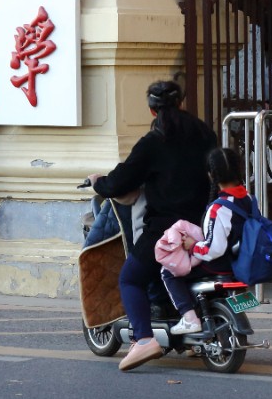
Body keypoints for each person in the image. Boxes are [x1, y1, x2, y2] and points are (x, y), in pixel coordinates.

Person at [87, 79, 218, 372]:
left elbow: (122, 179)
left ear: (151, 110)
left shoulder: (152, 142)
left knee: (130, 278)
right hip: (204, 223)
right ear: (181, 102)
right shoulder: (204, 133)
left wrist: (100, 183)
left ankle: (144, 339)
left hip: (167, 228)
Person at [159, 147, 253, 335]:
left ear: (211, 175)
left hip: (218, 265)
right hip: (239, 263)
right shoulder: (249, 199)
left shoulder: (218, 208)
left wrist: (192, 246)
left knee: (168, 272)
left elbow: (213, 249)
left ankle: (189, 317)